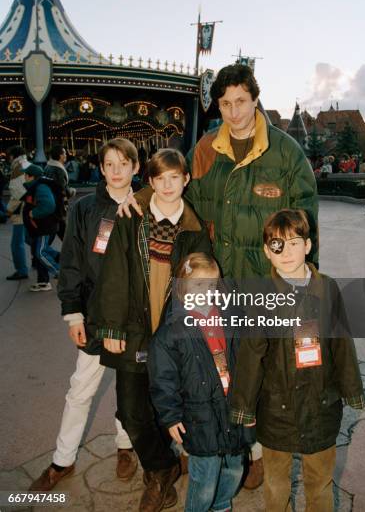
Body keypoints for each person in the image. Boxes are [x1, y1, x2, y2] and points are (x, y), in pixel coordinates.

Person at [118, 64, 319, 488]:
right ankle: (208, 443)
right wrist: (136, 197)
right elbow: (174, 184)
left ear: (255, 99)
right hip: (214, 283)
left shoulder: (285, 154)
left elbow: (305, 223)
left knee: (262, 369)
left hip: (264, 283)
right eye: (225, 103)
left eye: (240, 102)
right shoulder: (206, 148)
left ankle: (256, 451)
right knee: (210, 366)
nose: (233, 111)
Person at [95, 148, 211, 512]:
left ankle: (158, 478)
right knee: (131, 410)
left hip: (172, 335)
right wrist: (111, 325)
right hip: (133, 329)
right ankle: (164, 467)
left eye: (174, 177)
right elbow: (113, 271)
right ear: (151, 181)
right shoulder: (131, 216)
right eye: (159, 178)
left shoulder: (194, 230)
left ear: (185, 180)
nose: (167, 185)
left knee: (166, 407)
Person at [230, 209, 365, 512]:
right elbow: (252, 353)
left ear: (308, 245)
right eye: (278, 245)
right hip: (276, 409)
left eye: (294, 243)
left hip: (321, 405)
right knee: (276, 483)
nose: (287, 253)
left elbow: (341, 344)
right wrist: (244, 405)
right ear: (267, 252)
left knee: (319, 481)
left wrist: (351, 390)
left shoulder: (327, 288)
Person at [29, 138, 139, 491]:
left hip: (135, 318)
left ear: (136, 167)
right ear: (101, 168)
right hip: (94, 314)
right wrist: (73, 314)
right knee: (81, 389)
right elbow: (72, 261)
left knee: (130, 388)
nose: (117, 170)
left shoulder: (147, 206)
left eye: (124, 163)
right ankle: (63, 459)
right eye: (110, 164)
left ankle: (126, 447)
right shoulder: (85, 207)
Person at [148, 253, 251, 512]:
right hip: (199, 413)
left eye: (211, 285)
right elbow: (163, 378)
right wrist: (171, 416)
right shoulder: (171, 330)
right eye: (197, 285)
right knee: (204, 475)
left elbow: (249, 359)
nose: (205, 292)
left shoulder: (232, 314)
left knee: (235, 466)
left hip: (232, 406)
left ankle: (222, 504)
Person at [21, 165, 60, 292]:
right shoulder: (36, 186)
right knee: (40, 252)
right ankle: (43, 281)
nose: (24, 177)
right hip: (40, 227)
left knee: (40, 252)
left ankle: (61, 273)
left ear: (32, 176)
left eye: (26, 175)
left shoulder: (40, 187)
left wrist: (33, 213)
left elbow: (49, 205)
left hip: (44, 227)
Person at [5, 146, 30, 280]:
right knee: (31, 239)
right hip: (31, 208)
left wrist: (8, 210)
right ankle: (49, 257)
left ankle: (21, 270)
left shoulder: (17, 169)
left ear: (12, 156)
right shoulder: (28, 164)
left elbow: (17, 194)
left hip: (21, 211)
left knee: (16, 243)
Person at [44, 145, 76, 240]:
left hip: (51, 204)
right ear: (60, 155)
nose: (66, 155)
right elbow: (61, 189)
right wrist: (71, 191)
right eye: (64, 153)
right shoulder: (58, 170)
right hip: (58, 206)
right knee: (62, 233)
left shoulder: (49, 166)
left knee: (57, 231)